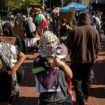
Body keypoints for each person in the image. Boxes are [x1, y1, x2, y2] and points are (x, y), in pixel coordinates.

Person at [65, 12, 100, 105]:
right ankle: (84, 98)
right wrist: (95, 57)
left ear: (79, 19)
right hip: (90, 60)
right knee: (86, 80)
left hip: (77, 59)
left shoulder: (74, 31)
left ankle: (81, 99)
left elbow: (66, 46)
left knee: (76, 79)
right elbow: (98, 47)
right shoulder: (94, 30)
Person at [33, 31, 73, 105]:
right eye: (48, 43)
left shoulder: (59, 56)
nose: (51, 45)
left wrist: (62, 64)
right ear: (42, 44)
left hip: (65, 99)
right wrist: (53, 67)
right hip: (49, 101)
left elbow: (70, 75)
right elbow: (47, 85)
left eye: (53, 42)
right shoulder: (38, 61)